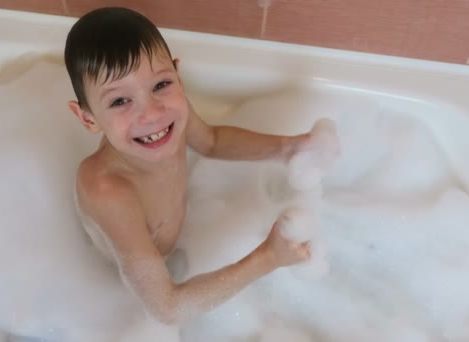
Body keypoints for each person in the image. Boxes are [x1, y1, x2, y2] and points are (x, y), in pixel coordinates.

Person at [64, 7, 339, 325]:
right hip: (128, 282)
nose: (151, 112)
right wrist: (268, 257)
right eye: (119, 101)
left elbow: (211, 141)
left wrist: (289, 147)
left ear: (177, 76)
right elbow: (166, 309)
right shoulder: (108, 191)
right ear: (87, 118)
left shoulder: (169, 117)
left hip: (172, 253)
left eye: (160, 84)